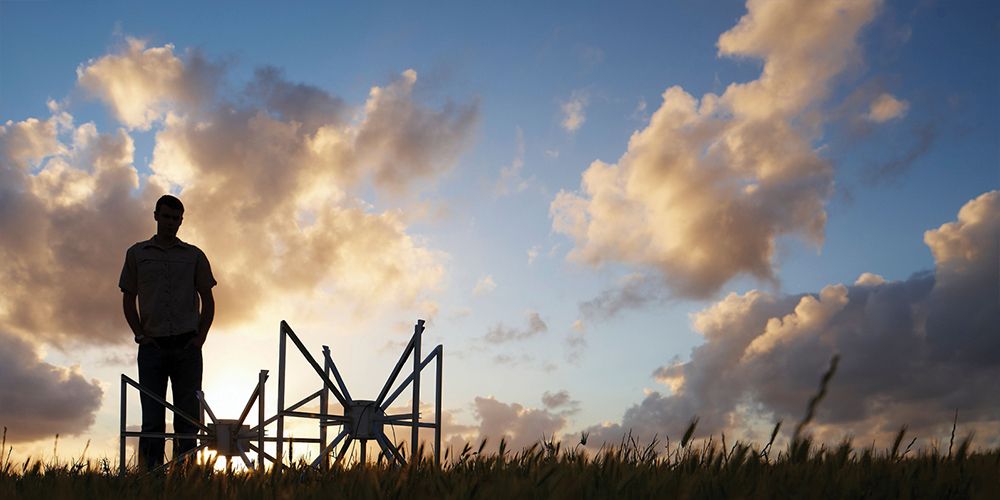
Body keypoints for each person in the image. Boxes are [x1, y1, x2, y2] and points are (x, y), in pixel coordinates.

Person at [119, 194, 216, 470]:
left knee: (188, 417)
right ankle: (150, 478)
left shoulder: (194, 255)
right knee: (152, 417)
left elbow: (208, 300)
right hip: (152, 347)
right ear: (156, 216)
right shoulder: (137, 254)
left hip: (187, 346)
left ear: (181, 221)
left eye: (176, 218)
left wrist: (200, 338)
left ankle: (187, 476)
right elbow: (128, 297)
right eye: (166, 216)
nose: (171, 222)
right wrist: (140, 335)